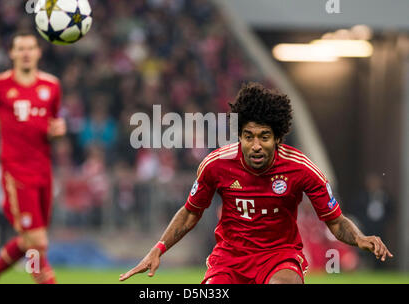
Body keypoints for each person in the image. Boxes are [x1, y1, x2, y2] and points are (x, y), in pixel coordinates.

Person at [119, 82, 393, 284]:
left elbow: (335, 221)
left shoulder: (301, 169)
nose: (256, 145)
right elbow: (191, 213)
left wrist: (359, 238)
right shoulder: (216, 165)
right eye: (248, 136)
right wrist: (158, 249)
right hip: (229, 260)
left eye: (264, 136)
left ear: (278, 138)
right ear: (239, 136)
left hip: (279, 257)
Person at [0, 31, 66, 284]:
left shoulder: (52, 86)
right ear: (12, 53)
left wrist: (58, 132)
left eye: (31, 48)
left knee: (29, 239)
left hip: (43, 170)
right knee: (37, 242)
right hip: (16, 172)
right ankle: (42, 276)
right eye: (20, 48)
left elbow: (52, 127)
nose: (26, 53)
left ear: (39, 53)